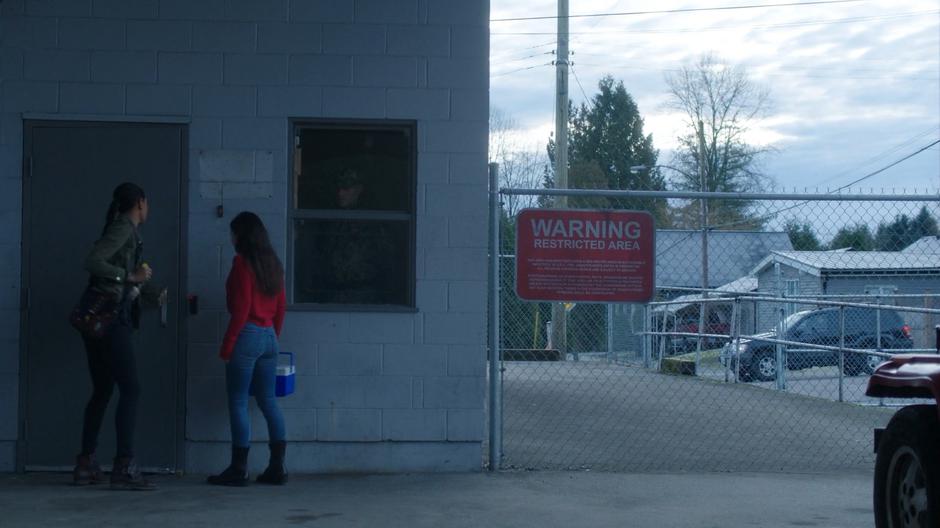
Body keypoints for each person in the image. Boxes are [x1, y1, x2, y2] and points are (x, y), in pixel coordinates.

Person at [73, 182, 166, 491]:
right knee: (131, 389)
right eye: (147, 203)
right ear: (140, 202)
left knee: (103, 389)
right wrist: (129, 276)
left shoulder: (125, 230)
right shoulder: (123, 228)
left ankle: (86, 464)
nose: (148, 208)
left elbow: (117, 275)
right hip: (111, 318)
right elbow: (93, 261)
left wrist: (148, 290)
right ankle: (124, 466)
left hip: (99, 317)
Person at [208, 211, 288, 486]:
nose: (230, 237)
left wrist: (228, 345)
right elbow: (280, 308)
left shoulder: (243, 265)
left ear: (241, 235)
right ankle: (277, 468)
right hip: (269, 336)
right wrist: (272, 337)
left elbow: (241, 310)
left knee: (239, 401)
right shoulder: (274, 264)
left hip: (248, 334)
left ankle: (238, 469)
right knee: (268, 401)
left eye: (232, 232)